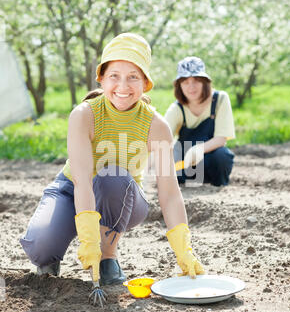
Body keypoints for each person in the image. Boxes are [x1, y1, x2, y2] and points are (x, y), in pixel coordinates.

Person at [19, 34, 205, 298]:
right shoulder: (84, 115)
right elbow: (83, 181)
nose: (123, 86)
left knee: (113, 175)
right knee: (40, 248)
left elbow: (170, 192)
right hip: (73, 189)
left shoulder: (157, 126)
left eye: (133, 77)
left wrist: (183, 249)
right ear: (102, 79)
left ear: (145, 83)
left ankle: (109, 257)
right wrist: (87, 238)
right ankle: (55, 250)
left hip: (122, 195)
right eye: (114, 76)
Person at [165, 56, 235, 186]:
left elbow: (221, 139)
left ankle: (216, 183)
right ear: (179, 86)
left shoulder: (220, 99)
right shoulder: (177, 108)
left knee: (222, 155)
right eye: (185, 82)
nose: (191, 87)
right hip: (185, 164)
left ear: (205, 82)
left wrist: (197, 150)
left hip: (210, 158)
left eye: (196, 80)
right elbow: (163, 139)